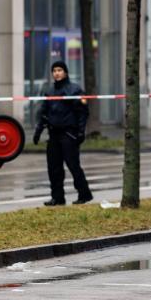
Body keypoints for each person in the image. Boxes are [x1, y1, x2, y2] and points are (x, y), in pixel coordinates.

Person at [34, 61, 93, 206]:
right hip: (53, 134)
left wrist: (80, 132)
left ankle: (84, 194)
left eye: (60, 70)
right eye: (54, 70)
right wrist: (38, 131)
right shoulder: (49, 92)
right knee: (54, 168)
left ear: (65, 72)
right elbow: (44, 113)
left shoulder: (74, 90)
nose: (57, 73)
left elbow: (83, 113)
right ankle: (57, 197)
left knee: (73, 166)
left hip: (69, 134)